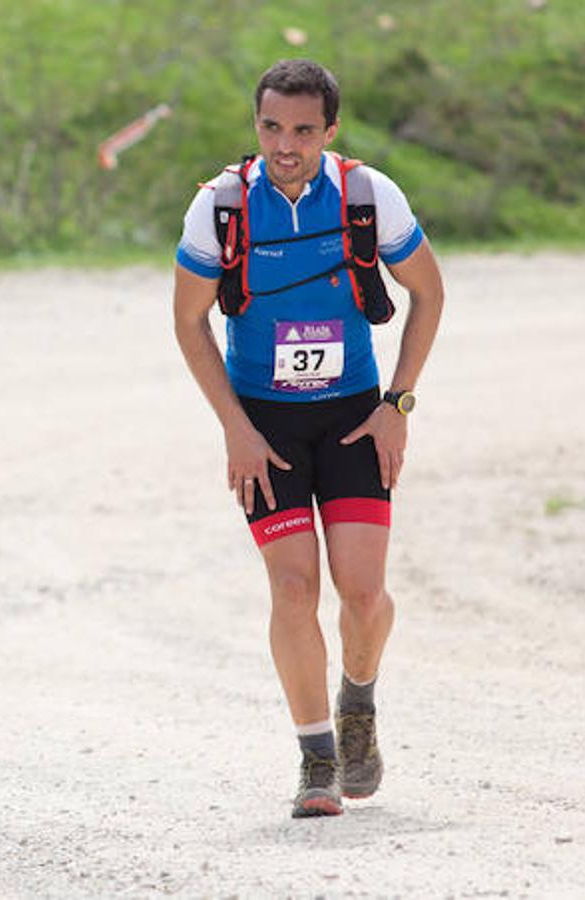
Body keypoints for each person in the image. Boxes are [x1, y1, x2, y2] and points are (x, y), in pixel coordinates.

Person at [170, 59, 445, 818]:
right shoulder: (221, 208)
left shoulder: (367, 196)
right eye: (269, 128)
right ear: (255, 125)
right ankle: (317, 759)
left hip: (355, 416)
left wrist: (399, 405)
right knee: (293, 588)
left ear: (329, 129)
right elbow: (188, 321)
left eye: (300, 130)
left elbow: (429, 290)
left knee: (364, 595)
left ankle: (358, 701)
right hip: (266, 427)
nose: (283, 145)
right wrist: (235, 429)